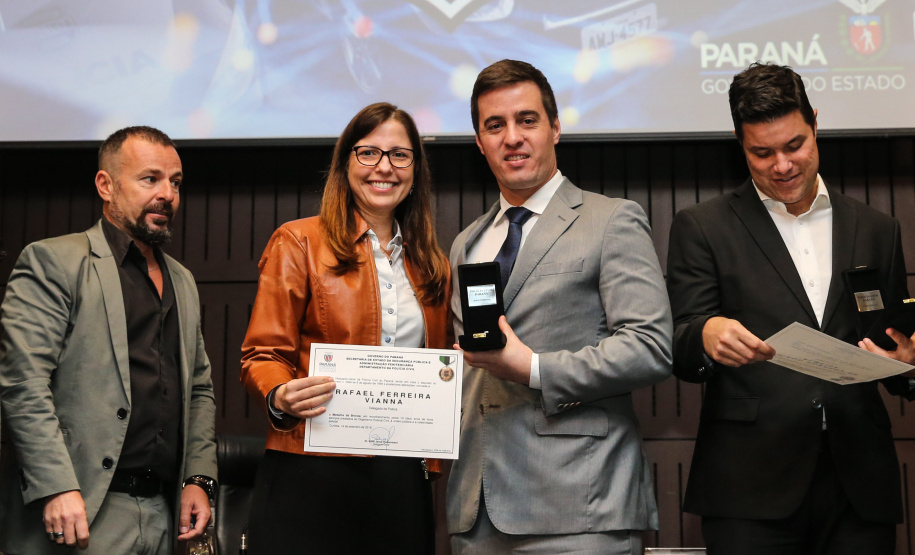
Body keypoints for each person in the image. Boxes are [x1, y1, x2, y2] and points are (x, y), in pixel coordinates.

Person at [666, 62, 915, 555]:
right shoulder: (702, 226)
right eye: (762, 153)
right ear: (740, 143)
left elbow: (891, 347)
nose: (782, 165)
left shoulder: (877, 228)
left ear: (815, 124)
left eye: (794, 145)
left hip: (859, 484)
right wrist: (705, 334)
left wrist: (907, 362)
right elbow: (678, 341)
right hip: (749, 485)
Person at [447, 59, 672, 554]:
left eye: (527, 120)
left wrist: (533, 368)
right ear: (479, 142)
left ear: (555, 127)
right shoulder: (467, 243)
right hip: (477, 511)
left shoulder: (611, 220)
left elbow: (650, 348)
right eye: (495, 125)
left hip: (580, 506)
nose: (512, 137)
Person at [240, 102, 452, 554]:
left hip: (400, 477)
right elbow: (262, 354)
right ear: (345, 163)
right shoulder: (298, 242)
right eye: (368, 152)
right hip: (309, 471)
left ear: (416, 169)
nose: (384, 167)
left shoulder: (433, 266)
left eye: (400, 155)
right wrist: (280, 395)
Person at [0, 126, 218, 554]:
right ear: (106, 185)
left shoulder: (183, 280)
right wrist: (56, 486)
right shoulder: (54, 261)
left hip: (163, 512)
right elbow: (23, 383)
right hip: (81, 506)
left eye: (175, 182)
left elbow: (199, 390)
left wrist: (198, 478)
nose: (167, 194)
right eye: (150, 179)